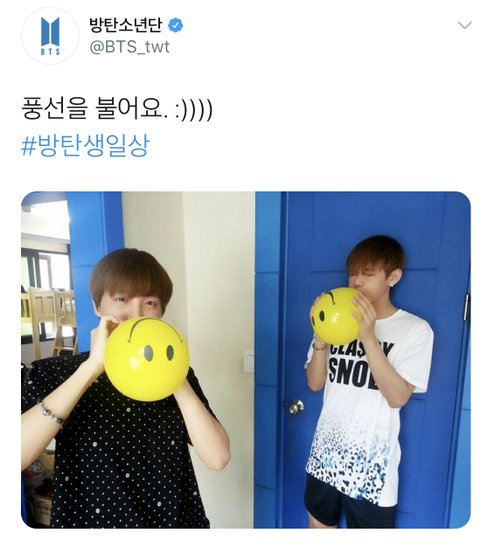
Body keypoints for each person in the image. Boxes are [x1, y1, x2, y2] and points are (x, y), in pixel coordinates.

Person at [21, 248, 230, 528]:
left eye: (150, 303)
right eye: (121, 299)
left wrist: (173, 372)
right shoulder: (58, 373)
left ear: (161, 312)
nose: (136, 314)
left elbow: (218, 458)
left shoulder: (179, 376)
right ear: (98, 306)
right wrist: (91, 368)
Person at [303, 235, 433, 528]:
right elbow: (314, 383)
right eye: (353, 273)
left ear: (393, 277)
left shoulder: (415, 330)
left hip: (372, 467)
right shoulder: (334, 320)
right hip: (325, 453)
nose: (357, 281)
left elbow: (398, 397)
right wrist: (321, 335)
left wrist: (369, 338)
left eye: (368, 273)